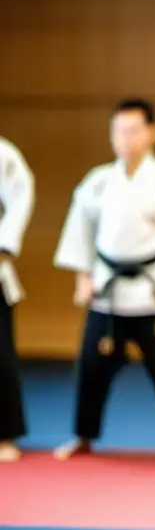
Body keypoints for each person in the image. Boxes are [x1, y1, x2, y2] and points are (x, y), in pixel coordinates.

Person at [52, 98, 155, 465]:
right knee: (92, 366)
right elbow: (80, 231)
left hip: (152, 287)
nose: (125, 138)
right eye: (119, 130)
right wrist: (83, 277)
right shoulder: (98, 181)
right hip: (108, 287)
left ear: (152, 133)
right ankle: (83, 436)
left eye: (133, 130)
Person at [0, 136, 35, 463]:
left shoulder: (4, 153)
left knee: (0, 356)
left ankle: (4, 434)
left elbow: (20, 198)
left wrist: (3, 246)